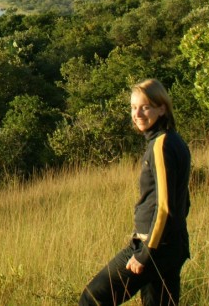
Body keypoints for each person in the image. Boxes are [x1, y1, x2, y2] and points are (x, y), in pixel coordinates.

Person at [79, 78, 191, 306]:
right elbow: (184, 201)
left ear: (162, 108)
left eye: (145, 107)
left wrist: (145, 254)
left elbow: (164, 207)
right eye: (133, 107)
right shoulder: (174, 140)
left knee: (92, 299)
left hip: (154, 248)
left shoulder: (161, 145)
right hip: (171, 246)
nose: (137, 113)